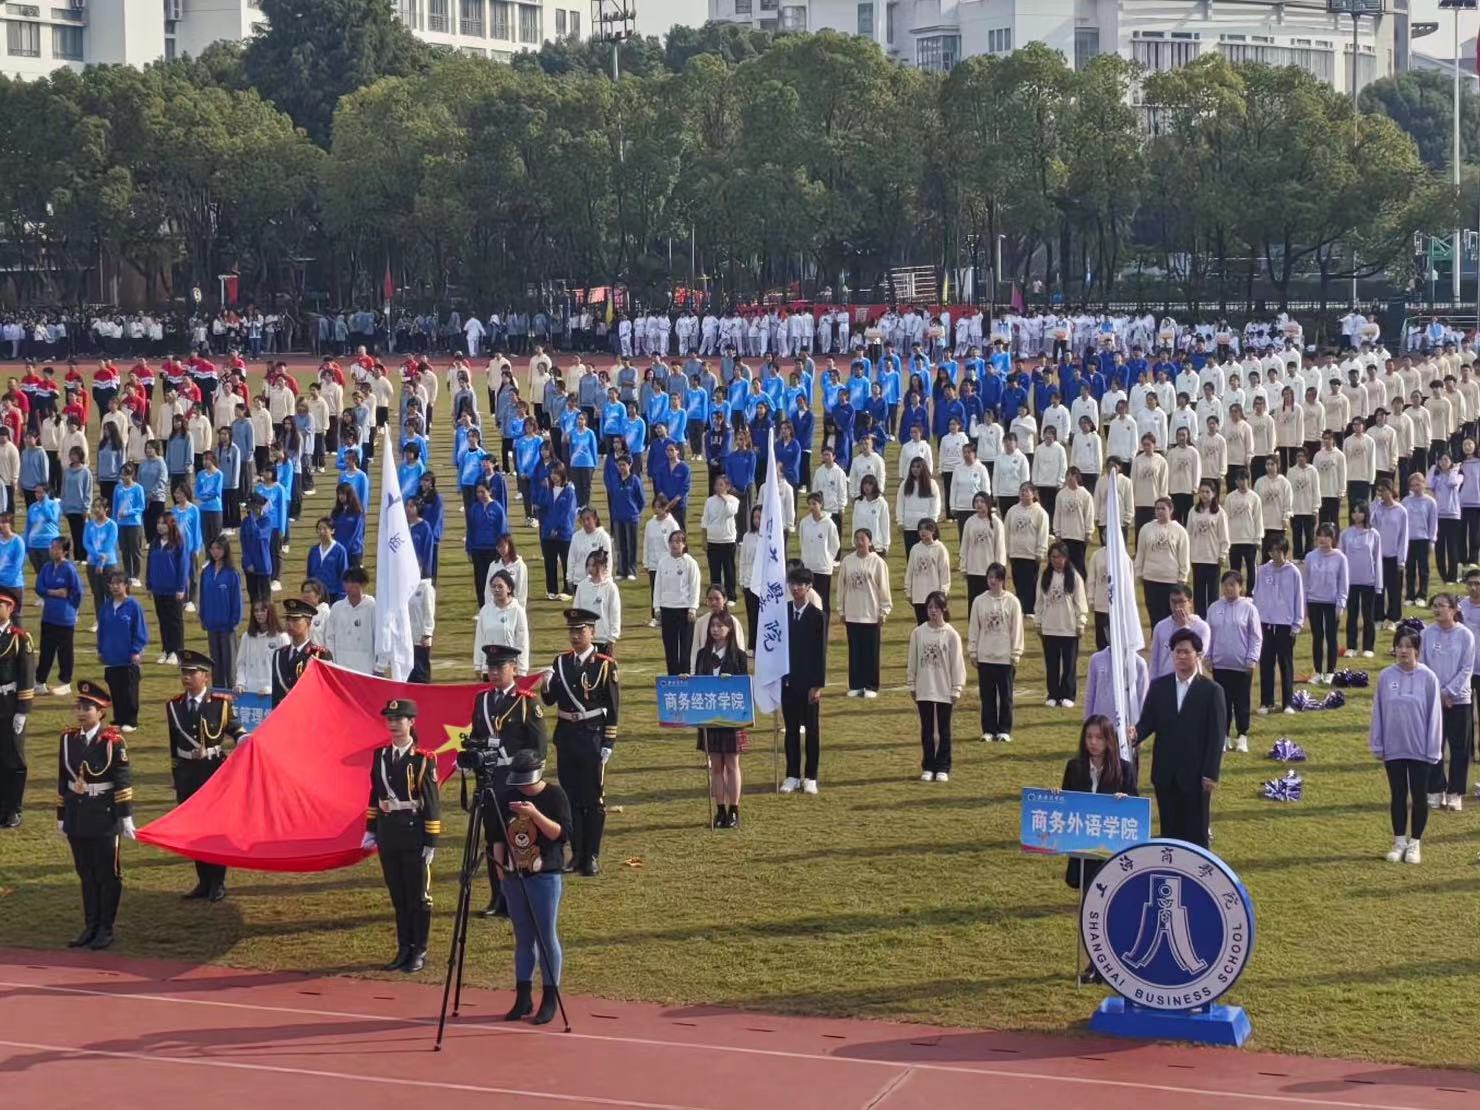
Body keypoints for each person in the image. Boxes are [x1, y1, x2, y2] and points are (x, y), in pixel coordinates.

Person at [359, 697, 440, 974]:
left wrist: (431, 841)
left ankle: (420, 949)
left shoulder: (423, 759)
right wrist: (371, 828)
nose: (394, 724)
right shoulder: (380, 756)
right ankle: (404, 947)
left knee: (418, 896)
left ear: (411, 723)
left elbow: (431, 802)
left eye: (399, 719)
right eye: (390, 720)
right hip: (388, 832)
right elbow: (375, 793)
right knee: (399, 895)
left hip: (414, 832)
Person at [489, 748, 570, 1025]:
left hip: (544, 875)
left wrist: (534, 814)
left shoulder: (554, 795)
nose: (522, 786)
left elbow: (561, 834)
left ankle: (550, 997)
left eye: (526, 780)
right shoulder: (507, 794)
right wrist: (500, 869)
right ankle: (523, 996)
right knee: (523, 938)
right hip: (513, 875)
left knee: (547, 936)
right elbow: (496, 834)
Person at [467, 643, 547, 918]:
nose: (494, 672)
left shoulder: (526, 701)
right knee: (493, 840)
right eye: (490, 667)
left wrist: (529, 781)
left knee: (519, 838)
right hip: (490, 780)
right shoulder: (482, 700)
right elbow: (477, 736)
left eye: (500, 667)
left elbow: (538, 748)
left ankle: (521, 897)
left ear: (513, 668)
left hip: (515, 780)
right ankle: (497, 897)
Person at [539, 607, 618, 876]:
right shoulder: (560, 662)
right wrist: (547, 684)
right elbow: (550, 701)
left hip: (592, 736)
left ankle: (592, 855)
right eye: (572, 631)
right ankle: (577, 853)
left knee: (593, 799)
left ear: (592, 632)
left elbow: (613, 707)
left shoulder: (604, 664)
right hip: (567, 736)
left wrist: (608, 742)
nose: (575, 636)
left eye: (580, 630)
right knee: (570, 797)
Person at [1131, 627, 1227, 848]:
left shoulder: (1212, 691)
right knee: (1169, 833)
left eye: (1186, 652)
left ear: (1198, 655)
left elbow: (1216, 736)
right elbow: (1148, 722)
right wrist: (1134, 734)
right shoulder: (1159, 687)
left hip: (1196, 777)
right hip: (1165, 774)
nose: (1181, 656)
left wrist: (1210, 773)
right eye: (1177, 652)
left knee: (1196, 834)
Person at [56, 679, 134, 949]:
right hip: (78, 814)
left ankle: (105, 927)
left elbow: (122, 780)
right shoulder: (68, 740)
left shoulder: (112, 742)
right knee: (86, 874)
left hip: (103, 816)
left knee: (106, 875)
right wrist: (61, 815)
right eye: (79, 706)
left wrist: (125, 817)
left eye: (87, 707)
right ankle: (90, 925)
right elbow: (62, 779)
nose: (81, 712)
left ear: (101, 712)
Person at [1062, 715, 1138, 985]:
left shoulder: (1125, 770)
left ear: (1109, 741)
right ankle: (1092, 965)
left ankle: (1111, 962)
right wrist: (1054, 799)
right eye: (1089, 737)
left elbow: (1136, 812)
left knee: (1110, 910)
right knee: (1089, 909)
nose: (1093, 743)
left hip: (1112, 856)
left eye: (1099, 738)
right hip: (1085, 853)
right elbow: (1066, 807)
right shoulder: (1074, 768)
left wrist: (1126, 801)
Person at [166, 650, 243, 903]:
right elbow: (173, 745)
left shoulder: (220, 704)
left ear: (205, 677)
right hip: (187, 774)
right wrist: (176, 776)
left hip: (212, 773)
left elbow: (235, 730)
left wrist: (245, 740)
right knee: (193, 830)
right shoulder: (174, 706)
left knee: (213, 830)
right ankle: (203, 880)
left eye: (192, 672)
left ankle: (217, 882)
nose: (186, 677)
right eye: (183, 672)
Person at [1371, 628, 1443, 864]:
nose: (1403, 650)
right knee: (1398, 795)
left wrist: (1433, 749)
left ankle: (1415, 843)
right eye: (1399, 645)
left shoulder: (1428, 678)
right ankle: (1399, 841)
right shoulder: (1385, 676)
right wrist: (1378, 744)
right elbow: (1378, 712)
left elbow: (1435, 715)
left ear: (1417, 651)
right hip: (1394, 748)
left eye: (1408, 646)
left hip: (1420, 750)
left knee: (1419, 797)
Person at [693, 608, 749, 828]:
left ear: (729, 629)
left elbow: (744, 686)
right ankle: (720, 810)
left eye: (720, 626)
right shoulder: (702, 655)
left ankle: (734, 810)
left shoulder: (739, 656)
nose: (715, 630)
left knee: (732, 763)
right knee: (716, 765)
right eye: (713, 627)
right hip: (709, 714)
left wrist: (731, 681)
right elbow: (698, 682)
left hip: (731, 715)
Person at [1420, 594, 1475, 813]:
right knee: (1435, 746)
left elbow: (1467, 668)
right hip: (1434, 699)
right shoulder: (1426, 634)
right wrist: (1438, 693)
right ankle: (1435, 789)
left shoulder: (1465, 635)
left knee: (1460, 748)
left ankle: (1455, 792)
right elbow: (1422, 665)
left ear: (1453, 609)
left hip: (1459, 700)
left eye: (1441, 606)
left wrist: (1449, 691)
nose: (1437, 610)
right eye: (1434, 606)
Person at [906, 590, 965, 782]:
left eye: (936, 608)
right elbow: (913, 660)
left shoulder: (951, 635)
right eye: (930, 607)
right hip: (924, 688)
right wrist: (912, 684)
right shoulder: (918, 632)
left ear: (943, 609)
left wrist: (956, 688)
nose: (933, 611)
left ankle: (943, 766)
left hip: (944, 689)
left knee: (943, 730)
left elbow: (957, 663)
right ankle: (928, 765)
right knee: (927, 729)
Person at [779, 566, 826, 795]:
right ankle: (792, 774)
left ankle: (811, 776)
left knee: (812, 731)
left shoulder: (817, 616)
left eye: (800, 584)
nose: (795, 588)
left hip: (809, 685)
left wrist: (817, 685)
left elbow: (821, 653)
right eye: (792, 583)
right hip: (788, 683)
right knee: (791, 730)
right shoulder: (783, 612)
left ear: (809, 587)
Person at [1205, 571, 1262, 754]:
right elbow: (1208, 635)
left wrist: (1252, 658)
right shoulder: (1214, 607)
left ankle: (1242, 736)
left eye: (1232, 584)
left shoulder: (1249, 608)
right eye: (1226, 585)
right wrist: (1208, 656)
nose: (1229, 588)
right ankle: (1224, 736)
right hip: (1220, 665)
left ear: (1240, 587)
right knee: (1222, 702)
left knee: (1241, 701)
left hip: (1242, 665)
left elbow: (1256, 636)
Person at [969, 563, 1023, 743]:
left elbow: (1017, 629)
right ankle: (988, 729)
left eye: (995, 578)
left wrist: (1016, 652)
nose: (991, 581)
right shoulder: (979, 601)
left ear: (1002, 580)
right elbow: (974, 628)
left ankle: (1004, 729)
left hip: (1005, 657)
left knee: (1006, 696)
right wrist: (973, 651)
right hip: (985, 656)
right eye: (989, 577)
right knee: (987, 696)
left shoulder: (1012, 602)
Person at [1253, 538, 1305, 716]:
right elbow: (1257, 596)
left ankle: (1287, 702)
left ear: (1285, 551)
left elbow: (1299, 598)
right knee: (1266, 664)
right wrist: (1256, 621)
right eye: (1271, 551)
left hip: (1285, 625)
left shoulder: (1293, 572)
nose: (1274, 554)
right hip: (1266, 624)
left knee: (1286, 664)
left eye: (1278, 551)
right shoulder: (1262, 571)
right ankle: (1266, 702)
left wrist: (1297, 623)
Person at [837, 528, 891, 698]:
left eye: (863, 539)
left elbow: (884, 588)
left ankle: (871, 686)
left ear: (870, 541)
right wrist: (841, 609)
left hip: (871, 614)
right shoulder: (847, 561)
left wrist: (884, 610)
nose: (859, 542)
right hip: (852, 613)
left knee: (870, 652)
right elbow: (841, 587)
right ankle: (855, 685)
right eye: (857, 538)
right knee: (855, 652)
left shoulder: (877, 562)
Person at [96, 571, 147, 732]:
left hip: (128, 656)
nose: (115, 586)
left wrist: (136, 650)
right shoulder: (106, 606)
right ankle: (119, 718)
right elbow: (101, 630)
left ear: (126, 586)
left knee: (129, 689)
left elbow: (140, 630)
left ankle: (131, 721)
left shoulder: (133, 606)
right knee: (115, 688)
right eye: (112, 583)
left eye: (119, 583)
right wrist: (101, 649)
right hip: (111, 655)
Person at [0, 587, 33, 827]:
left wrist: (23, 710)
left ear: (10, 608)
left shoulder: (20, 638)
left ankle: (14, 809)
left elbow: (27, 676)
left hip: (9, 702)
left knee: (13, 759)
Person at [1303, 523, 1349, 685]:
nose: (1323, 539)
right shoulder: (1310, 557)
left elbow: (1343, 583)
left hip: (1332, 603)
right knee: (1317, 637)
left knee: (1331, 637)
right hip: (1314, 601)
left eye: (1327, 536)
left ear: (1333, 538)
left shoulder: (1340, 557)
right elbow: (1305, 582)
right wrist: (1305, 605)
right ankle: (1317, 671)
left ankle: (1330, 671)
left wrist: (1340, 605)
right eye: (1320, 535)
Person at [34, 537, 81, 697]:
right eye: (52, 547)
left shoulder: (69, 569)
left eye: (57, 548)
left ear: (65, 551)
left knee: (65, 651)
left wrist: (74, 611)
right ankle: (40, 681)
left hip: (64, 617)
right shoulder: (46, 567)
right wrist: (54, 592)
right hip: (48, 616)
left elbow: (76, 592)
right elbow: (39, 587)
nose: (53, 550)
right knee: (46, 650)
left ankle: (65, 682)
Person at [654, 529, 701, 676]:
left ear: (684, 544)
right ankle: (672, 678)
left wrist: (693, 608)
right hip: (667, 609)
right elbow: (658, 586)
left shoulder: (690, 563)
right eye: (672, 541)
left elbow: (695, 586)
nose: (674, 545)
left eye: (678, 541)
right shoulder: (663, 561)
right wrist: (657, 607)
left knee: (685, 647)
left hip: (685, 610)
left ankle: (685, 677)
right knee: (670, 647)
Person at [147, 512, 189, 665]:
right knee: (163, 621)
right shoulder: (155, 542)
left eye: (163, 523)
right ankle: (166, 649)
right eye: (158, 523)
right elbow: (150, 564)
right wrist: (149, 585)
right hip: (158, 589)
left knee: (174, 622)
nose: (160, 526)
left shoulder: (178, 542)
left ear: (171, 524)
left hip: (173, 590)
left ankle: (177, 652)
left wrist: (180, 588)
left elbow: (183, 566)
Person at [271, 597, 331, 706]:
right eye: (288, 619)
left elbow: (325, 692)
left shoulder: (320, 655)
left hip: (309, 714)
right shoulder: (279, 654)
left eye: (295, 620)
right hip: (285, 716)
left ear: (308, 622)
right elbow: (276, 694)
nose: (289, 623)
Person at [1340, 503, 1382, 658]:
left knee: (1368, 615)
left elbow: (1377, 559)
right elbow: (1341, 558)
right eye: (1354, 512)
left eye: (1360, 512)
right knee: (1351, 615)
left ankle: (1368, 647)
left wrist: (1378, 583)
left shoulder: (1373, 534)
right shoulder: (1346, 534)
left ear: (1366, 514)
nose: (1357, 515)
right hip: (1350, 581)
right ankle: (1351, 646)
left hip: (1368, 581)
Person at [474, 571, 530, 677]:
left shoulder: (517, 610)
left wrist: (522, 669)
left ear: (509, 588)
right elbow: (480, 638)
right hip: (489, 667)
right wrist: (478, 665)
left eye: (500, 586)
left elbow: (522, 641)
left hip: (508, 668)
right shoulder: (485, 610)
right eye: (494, 586)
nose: (496, 590)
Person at [325, 565, 378, 675]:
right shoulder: (337, 607)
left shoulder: (373, 607)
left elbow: (378, 636)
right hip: (341, 664)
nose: (350, 585)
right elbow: (330, 635)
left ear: (363, 584)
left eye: (354, 582)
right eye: (347, 582)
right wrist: (332, 660)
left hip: (366, 666)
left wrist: (378, 665)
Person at [798, 491, 841, 615]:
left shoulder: (829, 524)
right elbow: (802, 542)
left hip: (823, 569)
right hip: (809, 568)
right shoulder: (804, 523)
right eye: (809, 504)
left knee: (823, 601)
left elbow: (835, 545)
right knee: (809, 599)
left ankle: (824, 626)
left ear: (821, 504)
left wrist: (828, 559)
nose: (812, 507)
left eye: (814, 504)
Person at [573, 549, 621, 656]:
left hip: (604, 640)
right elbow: (576, 611)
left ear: (603, 566)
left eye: (593, 565)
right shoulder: (582, 586)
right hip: (585, 640)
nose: (590, 569)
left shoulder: (611, 588)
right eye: (588, 565)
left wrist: (612, 638)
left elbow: (615, 614)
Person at [700, 474, 740, 602]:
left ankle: (731, 596)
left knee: (729, 570)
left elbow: (730, 512)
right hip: (713, 541)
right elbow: (705, 521)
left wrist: (723, 498)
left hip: (728, 540)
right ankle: (715, 596)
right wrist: (704, 539)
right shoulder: (709, 501)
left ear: (727, 487)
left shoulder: (733, 500)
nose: (718, 487)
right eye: (717, 485)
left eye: (721, 485)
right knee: (715, 571)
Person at [237, 599, 288, 696]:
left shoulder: (281, 637)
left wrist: (271, 688)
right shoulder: (246, 637)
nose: (259, 614)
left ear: (270, 612)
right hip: (250, 691)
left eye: (263, 610)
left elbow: (285, 669)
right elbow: (241, 664)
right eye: (256, 611)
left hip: (272, 693)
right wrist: (240, 683)